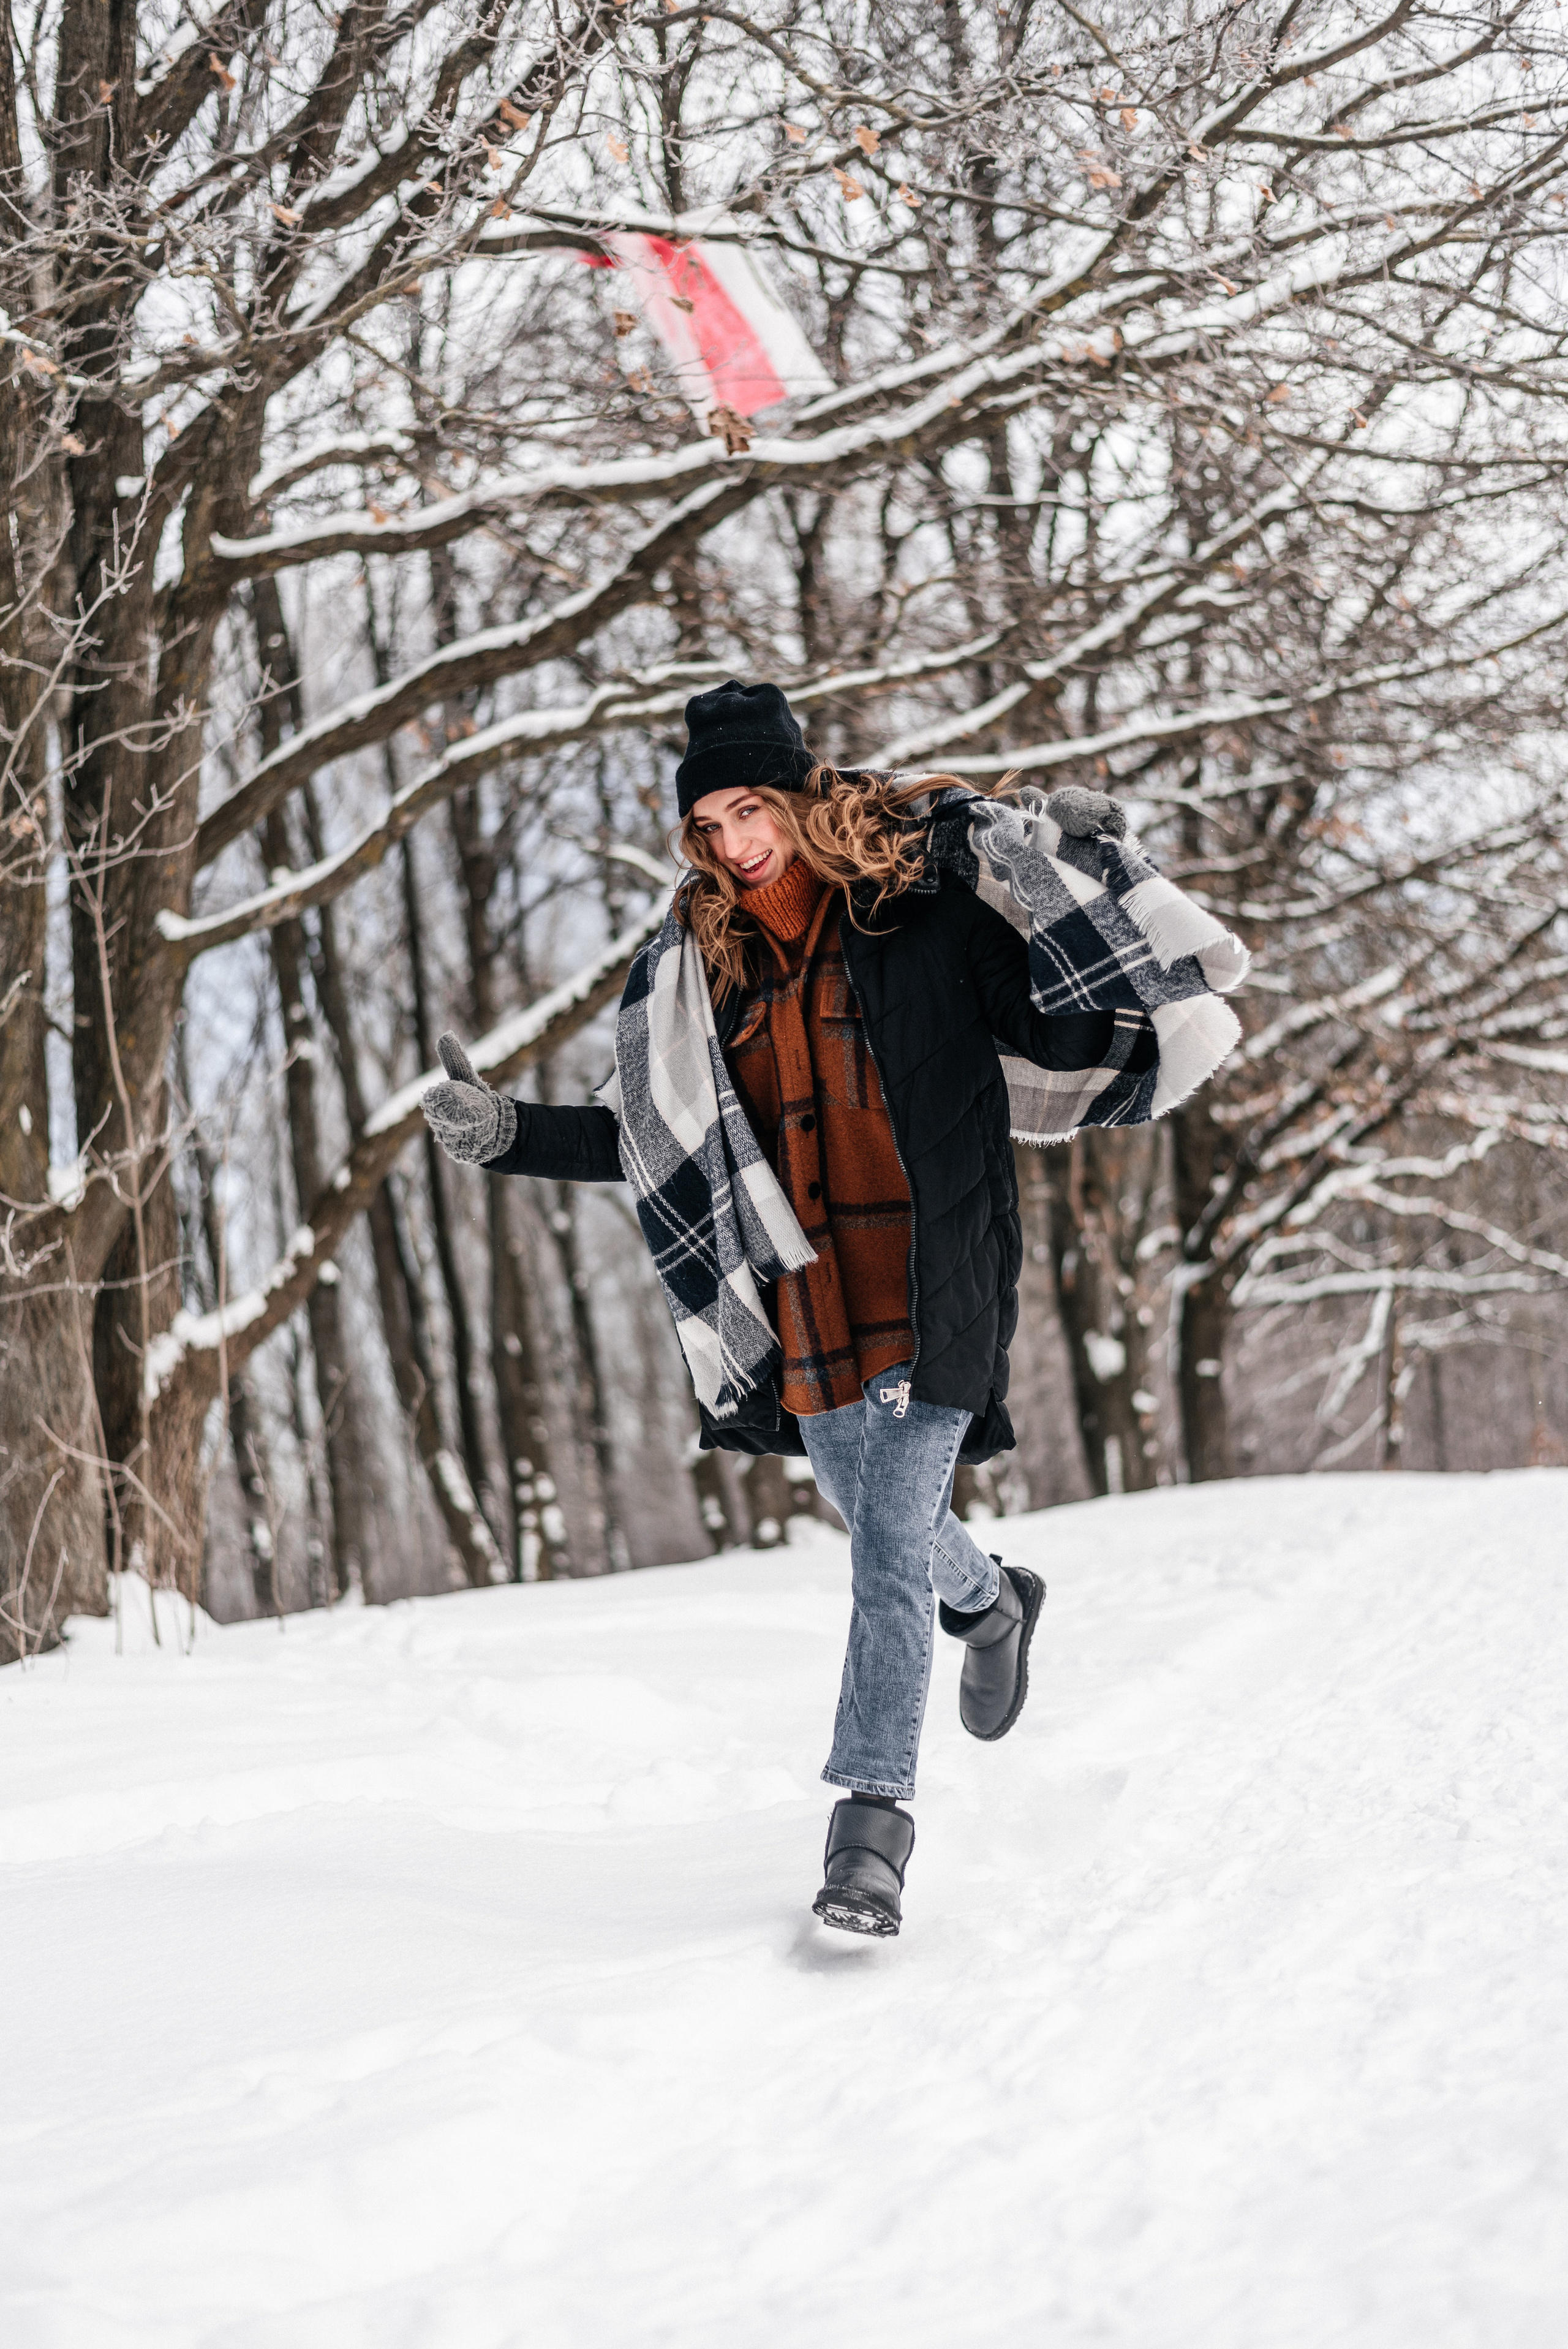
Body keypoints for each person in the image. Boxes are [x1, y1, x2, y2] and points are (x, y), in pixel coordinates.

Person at [424, 679, 1159, 1938]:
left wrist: (1082, 871)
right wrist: (506, 1135)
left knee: (882, 1549)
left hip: (936, 1273)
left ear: (799, 798)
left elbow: (1073, 1019)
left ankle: (868, 1834)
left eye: (748, 807)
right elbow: (655, 1143)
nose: (730, 840)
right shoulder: (707, 980)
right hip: (805, 1293)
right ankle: (989, 1602)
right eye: (706, 823)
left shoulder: (918, 919)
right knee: (873, 1510)